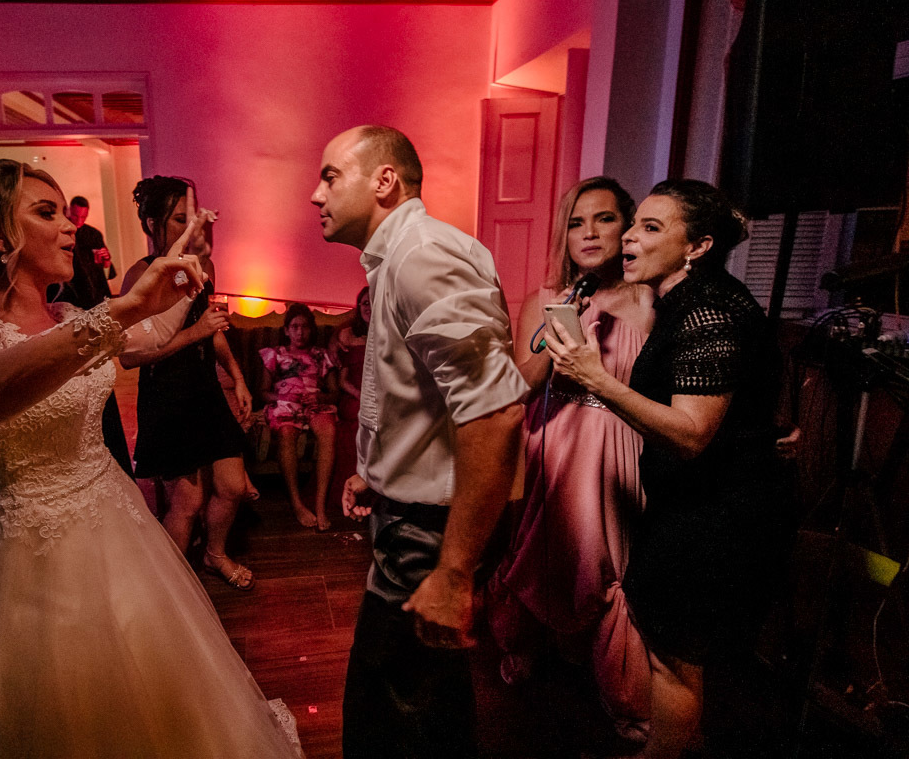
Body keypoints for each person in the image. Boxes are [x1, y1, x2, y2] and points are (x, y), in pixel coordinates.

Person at [0, 159, 300, 757]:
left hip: (116, 522)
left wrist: (169, 292)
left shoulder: (68, 316)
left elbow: (143, 340)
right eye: (48, 213)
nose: (70, 227)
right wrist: (125, 308)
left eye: (66, 213)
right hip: (35, 554)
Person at [545, 178, 790, 759]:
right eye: (634, 224)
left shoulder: (707, 311)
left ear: (697, 247)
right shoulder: (688, 302)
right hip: (695, 507)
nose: (629, 237)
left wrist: (595, 379)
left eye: (650, 228)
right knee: (672, 654)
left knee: (674, 661)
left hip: (714, 518)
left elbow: (691, 433)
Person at [312, 125, 529, 759]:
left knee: (398, 718)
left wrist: (454, 573)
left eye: (330, 176)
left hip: (430, 531)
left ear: (385, 181)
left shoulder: (423, 255)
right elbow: (417, 393)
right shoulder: (401, 256)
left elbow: (495, 414)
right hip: (411, 517)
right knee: (412, 704)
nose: (316, 195)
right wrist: (376, 473)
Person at [484, 177, 654, 742]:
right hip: (553, 440)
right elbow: (520, 386)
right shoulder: (544, 298)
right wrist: (560, 330)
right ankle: (527, 641)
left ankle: (617, 687)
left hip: (616, 445)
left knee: (603, 565)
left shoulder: (648, 300)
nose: (589, 233)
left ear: (626, 227)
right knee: (540, 552)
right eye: (577, 223)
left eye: (604, 219)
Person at [119, 176, 256, 591]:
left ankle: (215, 554)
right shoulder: (140, 276)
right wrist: (195, 333)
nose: (192, 228)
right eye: (181, 219)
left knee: (232, 486)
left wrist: (237, 376)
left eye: (194, 218)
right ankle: (172, 589)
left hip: (205, 391)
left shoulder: (203, 267)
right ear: (152, 224)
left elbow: (212, 329)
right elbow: (130, 356)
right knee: (188, 501)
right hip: (167, 397)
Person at [52, 195, 134, 477]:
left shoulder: (93, 234)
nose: (78, 222)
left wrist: (107, 262)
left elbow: (109, 272)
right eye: (75, 217)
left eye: (83, 218)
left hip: (96, 301)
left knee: (101, 376)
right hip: (74, 306)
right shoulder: (62, 237)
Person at [259, 302, 339, 530]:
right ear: (286, 330)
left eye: (305, 327)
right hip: (285, 403)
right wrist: (283, 397)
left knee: (329, 430)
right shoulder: (276, 354)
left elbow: (334, 393)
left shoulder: (321, 355)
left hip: (314, 403)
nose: (300, 332)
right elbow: (262, 391)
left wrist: (320, 398)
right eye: (295, 327)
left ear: (311, 329)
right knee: (286, 432)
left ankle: (320, 505)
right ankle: (297, 503)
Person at [328, 286, 369, 516]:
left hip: (379, 395)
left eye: (373, 303)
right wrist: (361, 395)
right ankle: (351, 490)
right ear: (358, 307)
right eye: (365, 303)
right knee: (359, 416)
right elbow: (342, 381)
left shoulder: (388, 332)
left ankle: (374, 492)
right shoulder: (347, 335)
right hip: (354, 394)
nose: (369, 307)